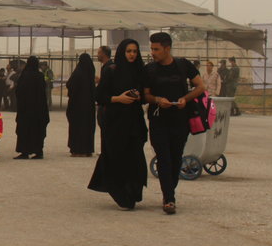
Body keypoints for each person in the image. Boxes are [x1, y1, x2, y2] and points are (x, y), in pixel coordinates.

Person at [143, 32, 205, 215]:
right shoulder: (149, 69)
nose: (153, 52)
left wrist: (185, 99)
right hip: (158, 120)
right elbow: (145, 95)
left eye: (156, 49)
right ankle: (169, 198)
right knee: (163, 157)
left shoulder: (183, 65)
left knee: (176, 157)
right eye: (152, 49)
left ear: (167, 48)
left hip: (180, 120)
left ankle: (170, 189)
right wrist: (157, 99)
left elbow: (200, 86)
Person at [88, 39, 148, 210]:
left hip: (134, 121)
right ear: (122, 52)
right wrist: (118, 99)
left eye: (135, 51)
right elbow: (100, 96)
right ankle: (121, 194)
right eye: (129, 51)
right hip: (116, 122)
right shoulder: (112, 71)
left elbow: (146, 95)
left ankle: (133, 192)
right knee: (116, 157)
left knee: (135, 158)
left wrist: (139, 96)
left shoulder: (140, 71)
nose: (132, 54)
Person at [14, 56, 49, 159]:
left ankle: (25, 151)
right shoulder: (40, 76)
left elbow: (18, 91)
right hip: (38, 109)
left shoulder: (24, 76)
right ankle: (38, 151)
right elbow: (43, 92)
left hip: (26, 109)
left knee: (25, 129)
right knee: (37, 130)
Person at [66, 53, 97, 157]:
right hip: (89, 107)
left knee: (77, 127)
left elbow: (69, 85)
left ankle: (77, 149)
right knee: (88, 127)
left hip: (77, 106)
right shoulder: (90, 72)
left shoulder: (78, 73)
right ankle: (87, 149)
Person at [95, 46, 114, 149]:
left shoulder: (110, 67)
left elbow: (108, 87)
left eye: (99, 53)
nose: (97, 55)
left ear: (103, 53)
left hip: (107, 104)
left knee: (106, 129)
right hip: (104, 103)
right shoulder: (106, 67)